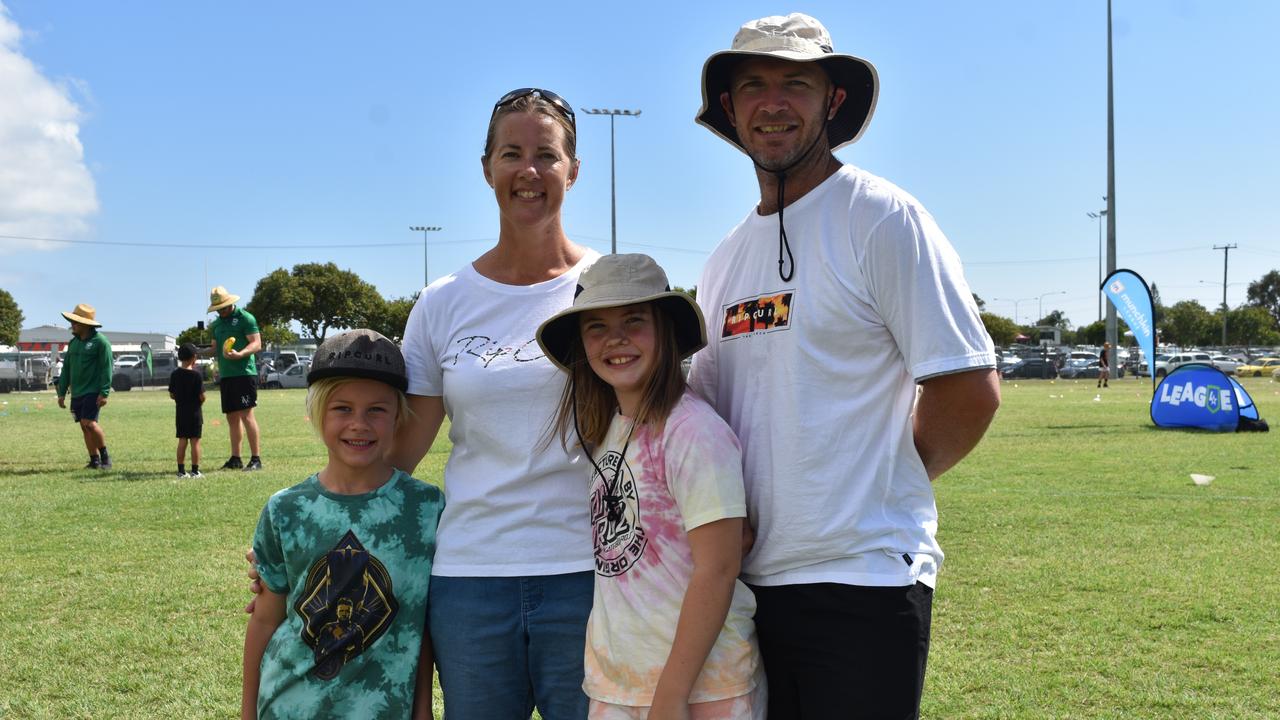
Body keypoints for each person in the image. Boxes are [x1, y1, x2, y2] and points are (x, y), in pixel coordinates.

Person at [690, 13, 1001, 718]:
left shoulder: (882, 218)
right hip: (745, 587)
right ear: (731, 109)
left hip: (863, 583)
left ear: (832, 101)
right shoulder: (722, 261)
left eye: (795, 83)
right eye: (754, 85)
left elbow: (967, 388)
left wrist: (882, 478)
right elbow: (709, 416)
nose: (773, 102)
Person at [536, 253, 765, 719]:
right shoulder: (610, 429)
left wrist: (671, 694)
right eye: (595, 326)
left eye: (634, 320)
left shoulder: (692, 430)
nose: (615, 339)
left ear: (666, 331)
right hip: (621, 686)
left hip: (700, 690)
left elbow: (718, 569)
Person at [241, 329, 445, 720]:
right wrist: (248, 713)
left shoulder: (426, 508)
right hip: (289, 705)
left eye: (376, 410)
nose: (359, 424)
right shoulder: (287, 509)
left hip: (383, 708)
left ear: (398, 415)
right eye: (342, 409)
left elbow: (418, 627)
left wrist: (423, 710)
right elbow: (266, 619)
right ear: (318, 413)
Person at [208, 285, 264, 471]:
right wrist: (195, 351)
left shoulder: (246, 318)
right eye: (218, 309)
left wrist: (241, 354)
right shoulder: (216, 325)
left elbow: (256, 343)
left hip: (244, 373)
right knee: (232, 418)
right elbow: (215, 348)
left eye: (223, 307)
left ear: (230, 303)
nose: (221, 312)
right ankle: (235, 458)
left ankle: (256, 459)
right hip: (227, 375)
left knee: (247, 416)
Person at [55, 303, 113, 470]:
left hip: (93, 391)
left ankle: (105, 457)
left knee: (89, 423)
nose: (72, 325)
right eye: (72, 322)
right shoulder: (73, 343)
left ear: (86, 324)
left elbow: (107, 367)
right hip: (77, 392)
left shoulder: (101, 342)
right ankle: (94, 460)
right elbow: (66, 369)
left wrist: (104, 392)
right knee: (83, 425)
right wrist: (61, 392)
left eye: (75, 322)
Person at [169, 342, 206, 477]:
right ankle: (195, 471)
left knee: (182, 440)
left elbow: (172, 394)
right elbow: (202, 396)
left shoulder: (175, 374)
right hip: (195, 413)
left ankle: (181, 471)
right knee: (195, 441)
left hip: (180, 413)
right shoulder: (196, 376)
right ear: (194, 357)